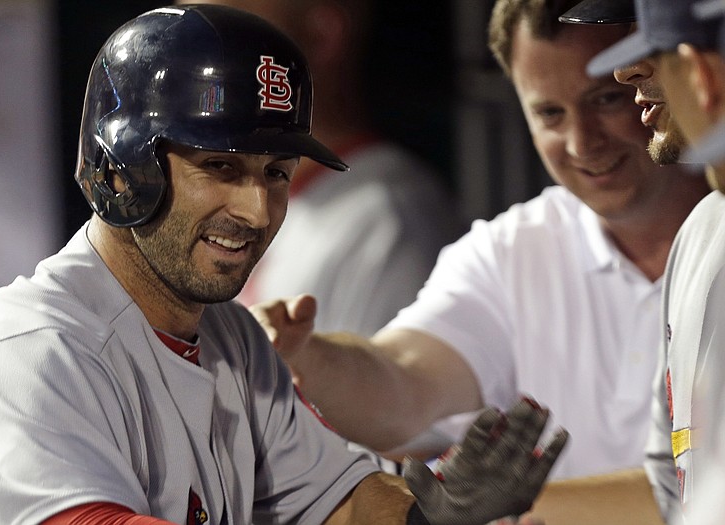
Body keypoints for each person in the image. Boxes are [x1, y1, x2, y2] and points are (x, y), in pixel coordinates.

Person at [0, 5, 568, 524]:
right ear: (123, 171)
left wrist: (426, 519)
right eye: (221, 168)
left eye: (277, 173)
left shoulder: (236, 342)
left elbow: (340, 503)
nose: (257, 210)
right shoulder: (30, 350)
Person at [251, 0, 710, 487]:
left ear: (658, 73)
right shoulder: (512, 251)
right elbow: (402, 379)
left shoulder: (710, 235)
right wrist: (304, 355)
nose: (582, 143)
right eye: (550, 113)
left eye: (606, 99)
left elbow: (686, 494)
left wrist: (486, 514)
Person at [179, 0, 455, 338]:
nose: (190, 64)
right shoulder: (214, 201)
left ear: (321, 35)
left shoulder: (390, 224)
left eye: (220, 39)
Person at [586, 0, 725, 521]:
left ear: (701, 74)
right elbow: (671, 493)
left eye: (656, 46)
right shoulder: (701, 231)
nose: (626, 71)